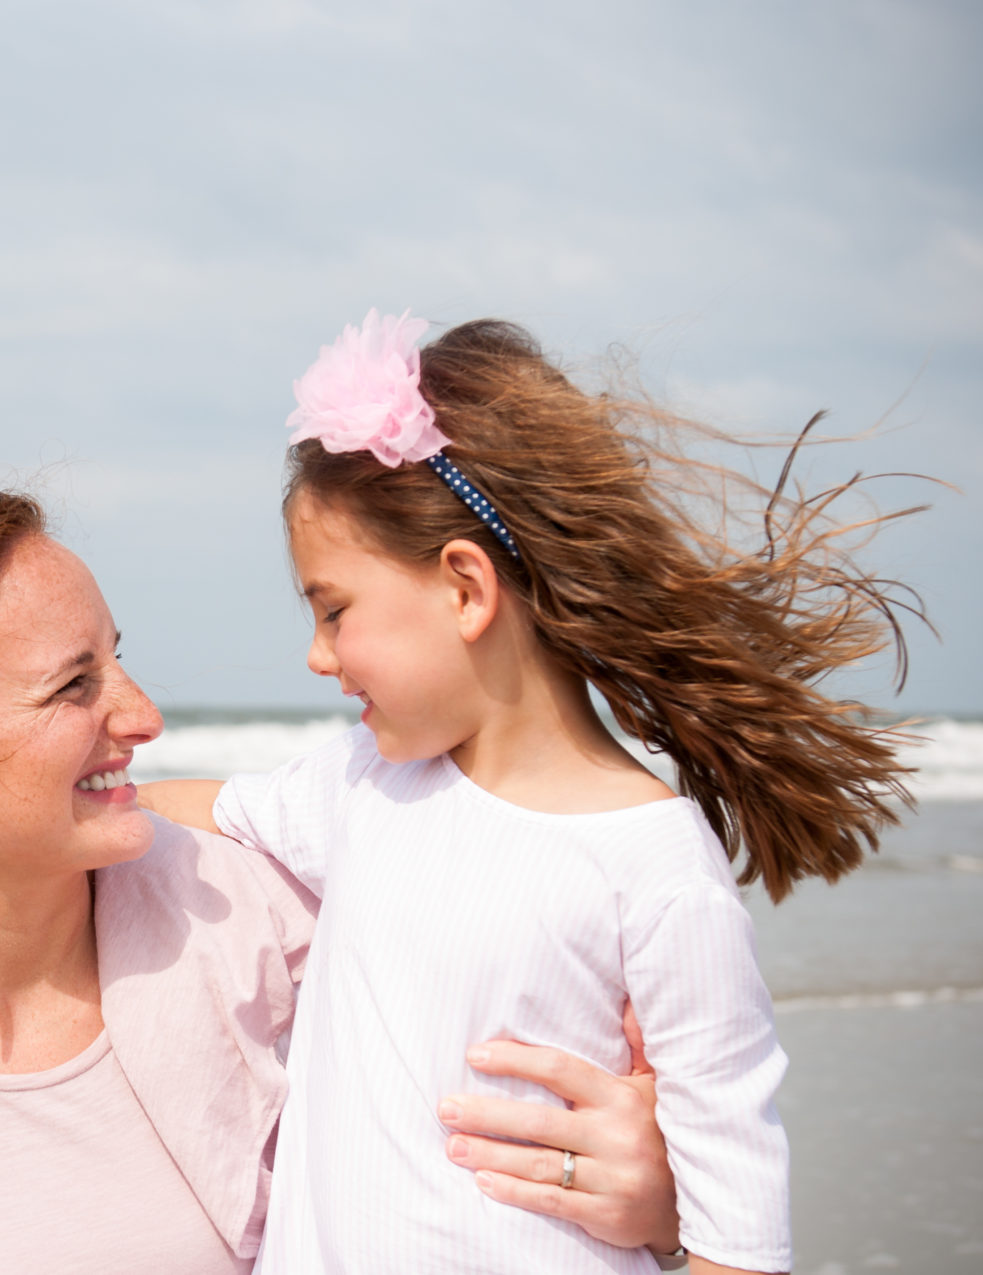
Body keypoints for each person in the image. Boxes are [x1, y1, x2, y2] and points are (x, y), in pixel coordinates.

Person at [0, 479, 687, 1273]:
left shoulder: (260, 914)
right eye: (73, 685)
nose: (142, 716)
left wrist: (653, 1204)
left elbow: (488, 1196)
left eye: (117, 658)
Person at [142, 311, 921, 1274]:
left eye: (335, 609)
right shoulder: (362, 785)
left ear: (466, 588)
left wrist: (672, 1218)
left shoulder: (654, 860)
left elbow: (738, 1231)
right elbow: (192, 809)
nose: (318, 656)